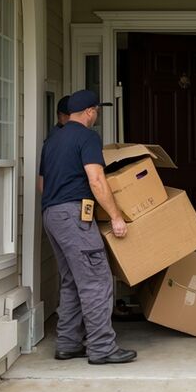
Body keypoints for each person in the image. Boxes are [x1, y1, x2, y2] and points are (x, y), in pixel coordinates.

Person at [39, 89, 137, 364]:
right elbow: (96, 180)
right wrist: (116, 216)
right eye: (96, 112)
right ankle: (102, 348)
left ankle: (68, 343)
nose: (96, 116)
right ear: (90, 112)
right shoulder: (87, 137)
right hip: (73, 217)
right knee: (97, 282)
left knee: (71, 281)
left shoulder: (52, 140)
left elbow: (41, 185)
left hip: (51, 215)